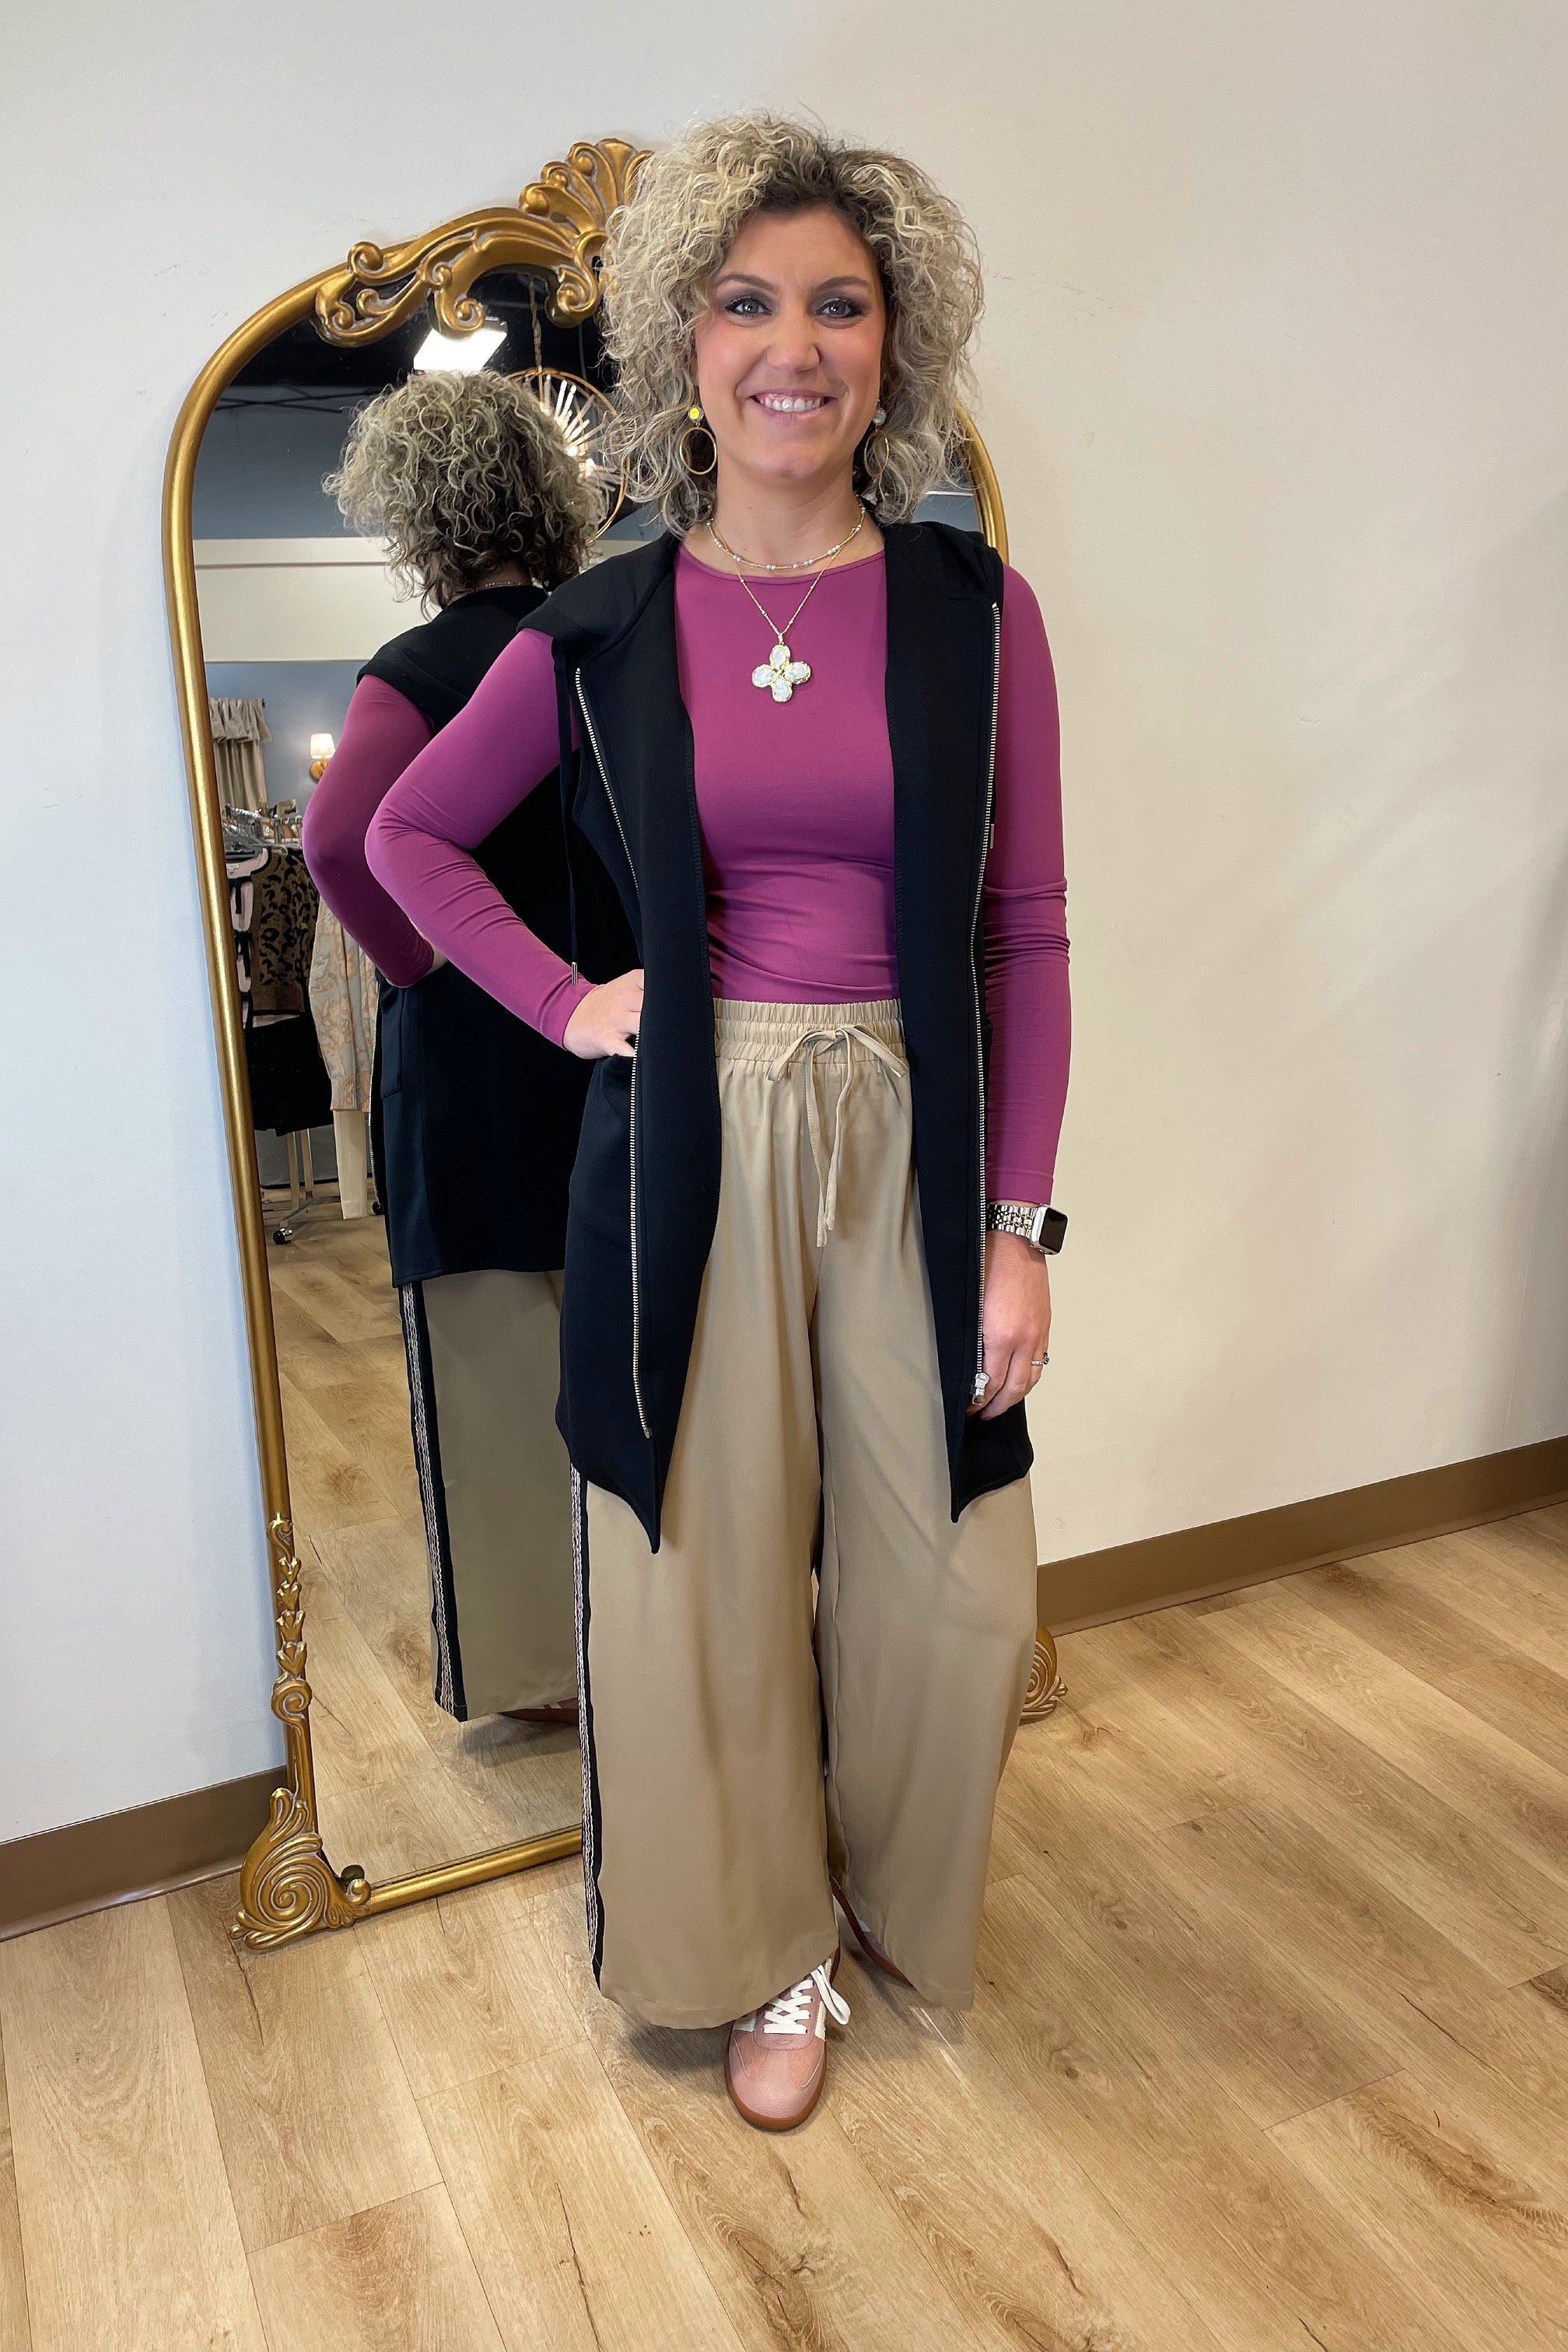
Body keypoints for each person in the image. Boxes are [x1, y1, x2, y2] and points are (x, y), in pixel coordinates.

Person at [366, 114, 1070, 2130]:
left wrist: (1021, 1222)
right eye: (750, 302)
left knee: (959, 1580)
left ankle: (887, 1896)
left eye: (840, 304)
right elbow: (407, 839)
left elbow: (1023, 929)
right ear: (687, 338)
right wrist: (568, 1000)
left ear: (892, 341)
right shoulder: (603, 629)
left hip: (914, 1137)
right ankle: (765, 1952)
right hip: (689, 1146)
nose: (795, 346)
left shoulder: (973, 610)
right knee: (706, 1577)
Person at [301, 369, 632, 1725]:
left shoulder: (418, 671)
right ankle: (654, 1645)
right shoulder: (616, 639)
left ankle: (543, 1676)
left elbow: (337, 842)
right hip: (618, 1036)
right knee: (640, 1355)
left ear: (415, 518)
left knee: (498, 1375)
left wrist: (421, 964)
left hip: (475, 1060)